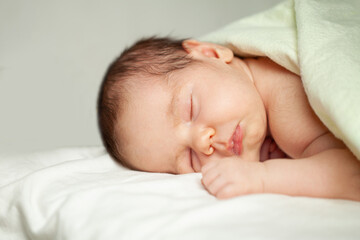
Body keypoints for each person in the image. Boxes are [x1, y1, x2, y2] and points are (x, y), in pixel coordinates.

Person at [97, 37, 360, 201]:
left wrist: (262, 177)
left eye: (190, 109)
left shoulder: (286, 104)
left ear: (211, 53)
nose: (203, 142)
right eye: (189, 158)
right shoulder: (258, 102)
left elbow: (352, 174)